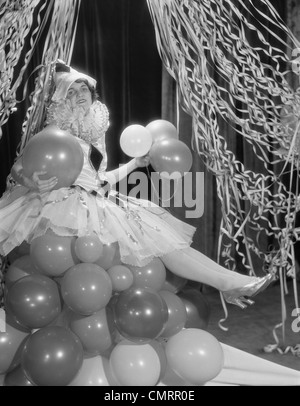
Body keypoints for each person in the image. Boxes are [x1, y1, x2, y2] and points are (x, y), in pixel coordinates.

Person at [0, 60, 274, 309]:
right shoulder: (56, 131)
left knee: (168, 242)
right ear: (60, 102)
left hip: (98, 198)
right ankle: (227, 283)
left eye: (83, 89)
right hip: (67, 205)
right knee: (158, 246)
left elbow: (98, 180)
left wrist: (133, 165)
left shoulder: (95, 133)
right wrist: (30, 179)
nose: (79, 95)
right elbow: (19, 167)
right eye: (70, 92)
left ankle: (230, 281)